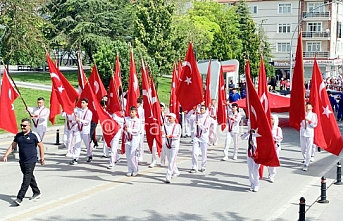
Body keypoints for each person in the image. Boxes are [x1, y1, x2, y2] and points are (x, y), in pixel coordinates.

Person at [2, 118, 45, 206]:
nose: (22, 127)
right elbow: (13, 145)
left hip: (31, 160)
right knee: (29, 177)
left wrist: (42, 158)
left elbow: (41, 146)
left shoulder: (34, 135)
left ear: (29, 126)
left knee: (26, 179)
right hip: (22, 160)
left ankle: (19, 198)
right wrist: (6, 155)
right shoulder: (19, 135)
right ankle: (36, 192)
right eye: (21, 125)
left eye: (24, 126)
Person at [69, 98, 93, 165]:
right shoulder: (78, 110)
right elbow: (72, 111)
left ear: (87, 104)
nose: (82, 104)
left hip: (85, 130)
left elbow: (87, 122)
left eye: (83, 103)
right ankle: (75, 158)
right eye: (81, 102)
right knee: (77, 144)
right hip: (78, 129)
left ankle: (89, 155)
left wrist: (79, 120)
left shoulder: (89, 112)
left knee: (87, 144)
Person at [189, 105, 210, 173]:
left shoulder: (208, 118)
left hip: (204, 137)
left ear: (205, 110)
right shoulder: (196, 116)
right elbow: (188, 116)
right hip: (196, 137)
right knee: (194, 152)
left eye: (203, 109)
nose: (201, 110)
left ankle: (203, 166)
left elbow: (206, 129)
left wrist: (200, 124)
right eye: (200, 109)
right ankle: (194, 167)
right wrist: (193, 110)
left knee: (204, 153)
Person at [123, 106, 142, 176]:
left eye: (132, 112)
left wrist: (129, 130)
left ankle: (135, 169)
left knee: (132, 155)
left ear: (136, 113)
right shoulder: (126, 119)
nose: (131, 113)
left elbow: (138, 131)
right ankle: (129, 169)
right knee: (128, 155)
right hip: (127, 139)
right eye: (130, 112)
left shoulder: (138, 121)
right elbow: (122, 125)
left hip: (134, 140)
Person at [164, 113, 181, 183]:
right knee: (170, 160)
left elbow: (178, 135)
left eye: (170, 117)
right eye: (168, 117)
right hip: (168, 144)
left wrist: (170, 136)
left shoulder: (177, 126)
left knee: (171, 161)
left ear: (174, 118)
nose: (169, 119)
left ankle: (168, 175)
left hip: (174, 145)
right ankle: (176, 171)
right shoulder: (166, 126)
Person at [300, 102, 318, 171]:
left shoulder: (314, 115)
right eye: (306, 106)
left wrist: (308, 120)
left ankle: (306, 163)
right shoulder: (302, 114)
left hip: (309, 133)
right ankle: (305, 158)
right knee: (303, 148)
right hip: (303, 132)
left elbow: (315, 124)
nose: (307, 107)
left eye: (309, 106)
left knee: (309, 148)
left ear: (312, 107)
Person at [267, 115, 283, 183]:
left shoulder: (278, 129)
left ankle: (272, 175)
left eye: (272, 119)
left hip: (275, 146)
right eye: (270, 119)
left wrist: (273, 137)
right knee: (268, 161)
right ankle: (270, 172)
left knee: (273, 161)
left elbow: (280, 138)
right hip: (268, 146)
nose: (271, 120)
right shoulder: (267, 128)